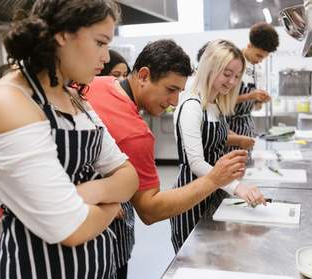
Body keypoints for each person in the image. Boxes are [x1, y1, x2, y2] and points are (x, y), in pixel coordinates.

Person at [0, 0, 139, 278]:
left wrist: (90, 193)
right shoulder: (8, 101)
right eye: (100, 42)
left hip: (96, 265)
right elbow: (70, 228)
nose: (106, 58)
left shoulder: (75, 98)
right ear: (62, 34)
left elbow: (128, 177)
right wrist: (112, 203)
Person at [86, 39, 251, 276]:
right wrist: (214, 179)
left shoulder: (96, 83)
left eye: (179, 92)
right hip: (100, 243)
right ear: (143, 76)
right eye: (170, 90)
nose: (174, 102)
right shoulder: (136, 135)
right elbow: (150, 210)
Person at [171, 39, 266, 251]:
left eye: (236, 76)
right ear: (209, 68)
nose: (232, 81)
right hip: (192, 196)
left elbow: (217, 147)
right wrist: (237, 187)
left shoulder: (217, 105)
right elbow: (196, 162)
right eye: (226, 73)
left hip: (215, 191)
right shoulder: (192, 105)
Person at [227, 22, 279, 144]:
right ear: (249, 46)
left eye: (264, 58)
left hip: (247, 128)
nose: (260, 61)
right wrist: (249, 96)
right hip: (229, 128)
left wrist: (259, 101)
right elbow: (220, 101)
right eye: (258, 56)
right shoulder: (232, 63)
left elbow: (255, 107)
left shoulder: (258, 70)